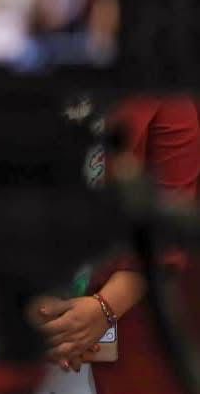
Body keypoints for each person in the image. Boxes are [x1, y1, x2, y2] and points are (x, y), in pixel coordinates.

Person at [32, 97, 200, 394]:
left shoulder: (164, 99)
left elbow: (167, 243)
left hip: (131, 327)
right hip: (23, 309)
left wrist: (102, 309)